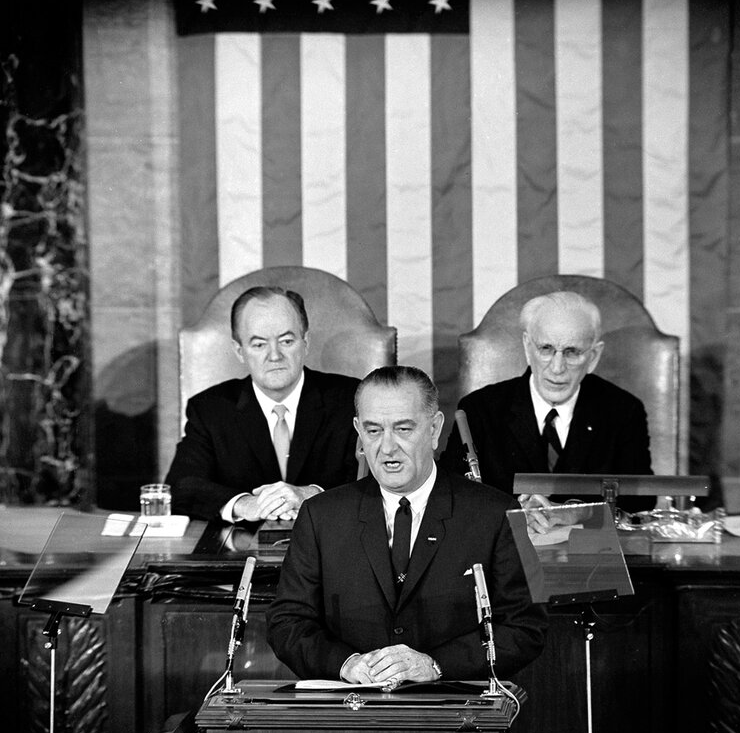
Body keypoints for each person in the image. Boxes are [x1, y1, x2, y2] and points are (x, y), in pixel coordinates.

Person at [266, 366, 547, 684]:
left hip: (456, 716)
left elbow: (526, 627)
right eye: (373, 431)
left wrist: (435, 665)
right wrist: (346, 665)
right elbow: (287, 622)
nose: (387, 448)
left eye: (403, 429)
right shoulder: (320, 517)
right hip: (349, 717)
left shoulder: (498, 514)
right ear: (358, 430)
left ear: (434, 429)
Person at [439, 290, 654, 525]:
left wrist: (575, 511)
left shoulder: (623, 411)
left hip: (590, 553)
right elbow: (452, 493)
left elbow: (641, 502)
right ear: (527, 346)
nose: (557, 367)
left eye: (572, 352)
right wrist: (513, 511)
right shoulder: (479, 409)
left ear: (593, 356)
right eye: (546, 349)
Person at [165, 286, 360, 522]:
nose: (275, 355)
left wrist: (310, 494)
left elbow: (379, 480)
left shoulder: (351, 399)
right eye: (259, 344)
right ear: (239, 351)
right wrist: (245, 504)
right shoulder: (210, 409)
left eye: (287, 341)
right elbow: (182, 486)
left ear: (305, 342)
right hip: (240, 552)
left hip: (333, 548)